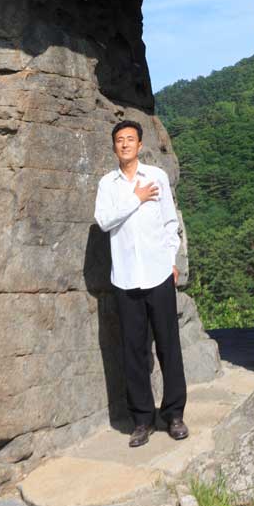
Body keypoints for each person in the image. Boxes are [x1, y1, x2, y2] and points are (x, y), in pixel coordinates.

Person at [94, 118, 189, 447]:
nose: (124, 144)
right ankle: (142, 420)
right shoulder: (108, 185)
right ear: (114, 146)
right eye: (119, 140)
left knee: (168, 345)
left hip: (158, 274)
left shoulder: (157, 177)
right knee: (132, 351)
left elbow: (169, 223)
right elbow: (104, 221)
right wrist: (134, 198)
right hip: (125, 278)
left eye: (130, 139)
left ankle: (174, 414)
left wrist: (171, 260)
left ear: (139, 144)